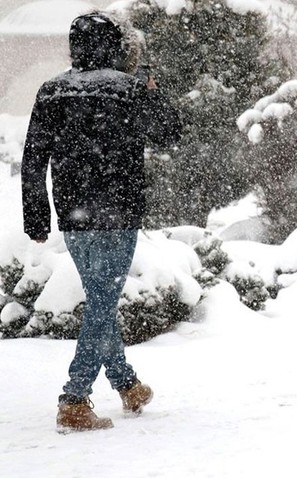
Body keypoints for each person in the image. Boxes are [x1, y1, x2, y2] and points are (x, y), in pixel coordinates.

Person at [21, 10, 182, 432]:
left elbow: (34, 159)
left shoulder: (52, 91)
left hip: (74, 214)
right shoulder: (129, 90)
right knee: (102, 302)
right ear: (114, 46)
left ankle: (126, 384)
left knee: (100, 298)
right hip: (118, 210)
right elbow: (171, 132)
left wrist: (36, 217)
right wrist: (153, 91)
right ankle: (74, 398)